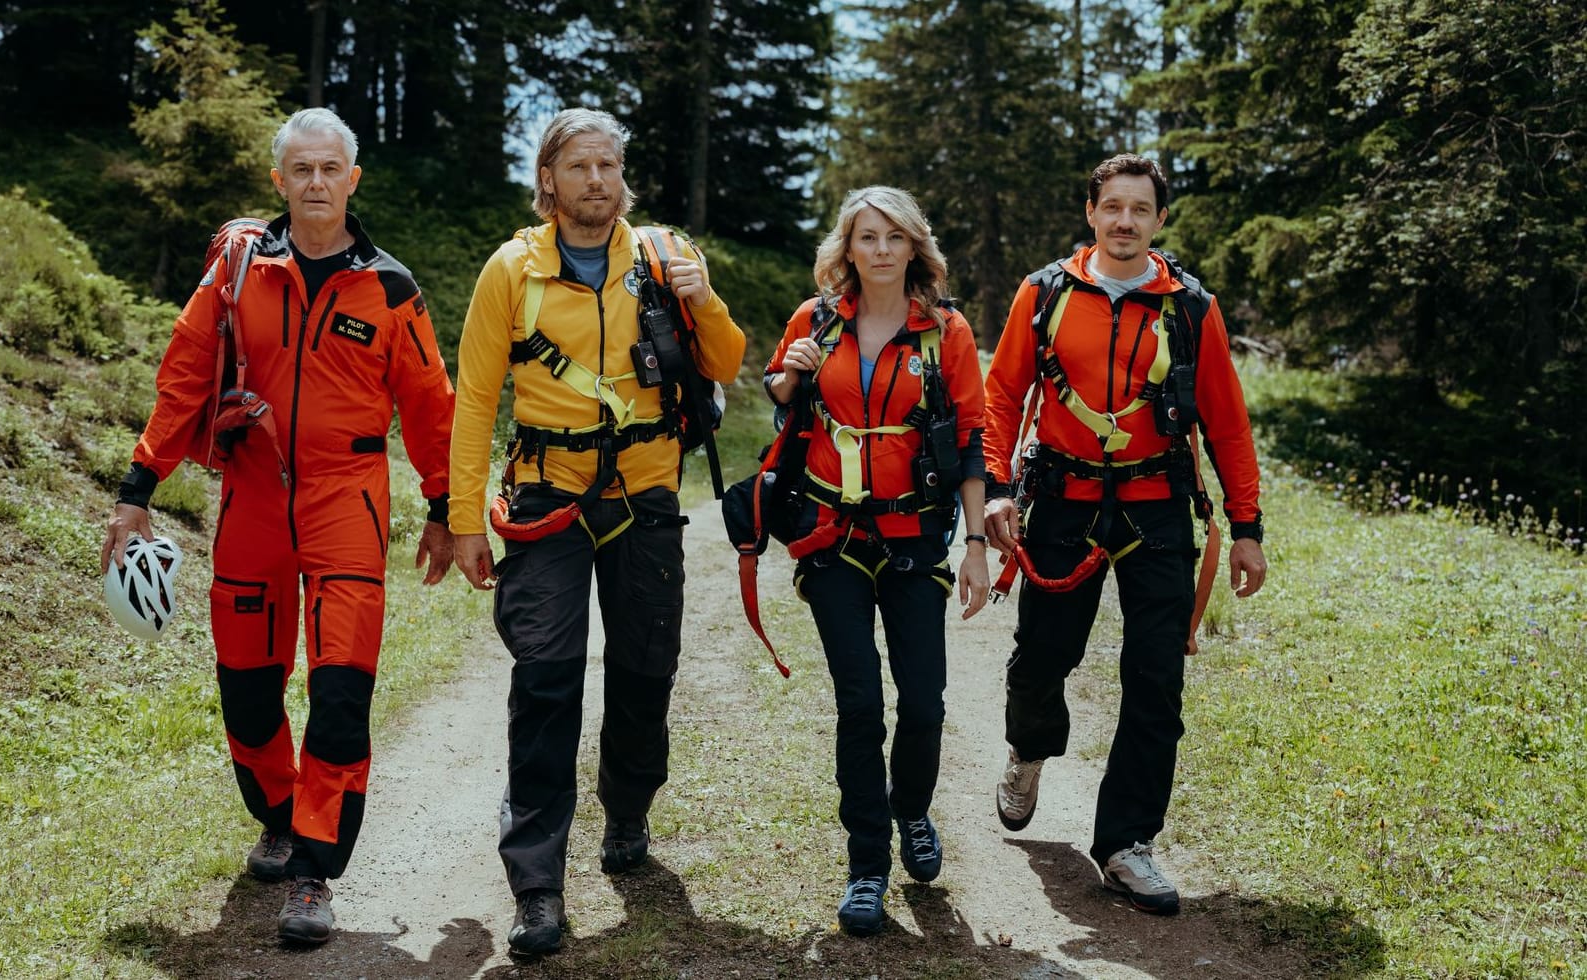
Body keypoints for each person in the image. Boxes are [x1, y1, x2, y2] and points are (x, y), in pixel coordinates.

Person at [99, 107, 455, 944]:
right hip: (253, 500)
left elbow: (431, 407)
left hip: (348, 504)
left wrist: (446, 509)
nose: (318, 184)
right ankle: (279, 814)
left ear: (353, 179)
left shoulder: (392, 288)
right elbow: (186, 369)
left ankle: (313, 873)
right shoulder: (237, 272)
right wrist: (136, 484)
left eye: (331, 169)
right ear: (279, 182)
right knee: (248, 690)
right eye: (302, 171)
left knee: (339, 691)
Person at [449, 107, 745, 958]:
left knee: (647, 668)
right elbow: (475, 399)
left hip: (646, 496)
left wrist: (704, 298)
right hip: (546, 501)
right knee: (544, 681)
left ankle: (627, 808)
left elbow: (724, 363)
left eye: (608, 165)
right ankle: (537, 885)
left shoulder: (662, 259)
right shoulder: (512, 269)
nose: (595, 181)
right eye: (578, 166)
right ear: (547, 180)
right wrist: (465, 517)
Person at [981, 153, 1267, 915]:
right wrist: (998, 489)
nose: (1124, 222)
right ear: (1091, 213)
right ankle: (1028, 751)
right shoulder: (1043, 295)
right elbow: (1003, 394)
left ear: (1159, 221)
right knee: (1043, 656)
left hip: (1157, 507)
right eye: (1112, 207)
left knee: (1154, 682)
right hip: (1063, 500)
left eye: (1139, 210)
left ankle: (1124, 845)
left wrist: (1246, 526)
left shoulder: (1191, 308)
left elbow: (1227, 423)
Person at [762, 186, 989, 936]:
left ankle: (913, 812)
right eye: (867, 237)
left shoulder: (946, 332)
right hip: (831, 537)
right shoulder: (816, 319)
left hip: (916, 539)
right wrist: (787, 371)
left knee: (922, 703)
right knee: (860, 703)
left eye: (894, 236)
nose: (882, 249)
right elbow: (780, 395)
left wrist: (978, 544)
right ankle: (866, 864)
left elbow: (970, 446)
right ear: (848, 249)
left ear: (914, 246)